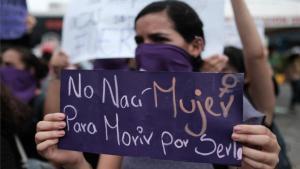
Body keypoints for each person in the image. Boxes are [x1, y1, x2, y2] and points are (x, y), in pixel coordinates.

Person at [35, 0, 280, 169]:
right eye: (139, 40)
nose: (146, 48)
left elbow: (256, 56)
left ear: (195, 45)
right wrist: (76, 162)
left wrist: (260, 162)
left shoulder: (222, 102)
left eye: (159, 39)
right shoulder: (125, 103)